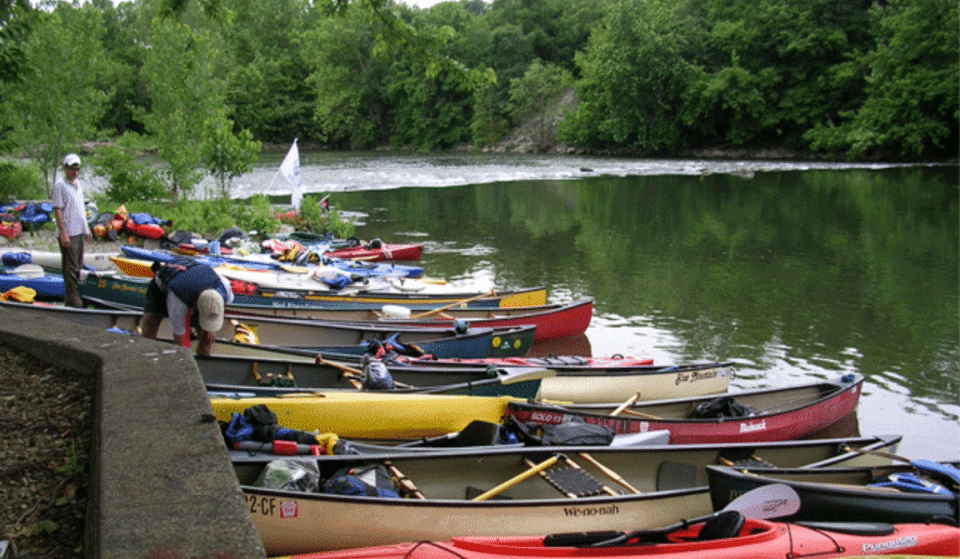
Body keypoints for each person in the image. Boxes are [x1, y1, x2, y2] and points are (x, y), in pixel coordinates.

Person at [138, 257, 234, 356]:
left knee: (207, 339)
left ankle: (203, 364)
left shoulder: (225, 289)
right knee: (151, 323)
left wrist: (209, 330)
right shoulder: (178, 299)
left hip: (194, 284)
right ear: (196, 306)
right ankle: (143, 358)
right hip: (162, 287)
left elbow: (219, 308)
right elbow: (179, 340)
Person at [52, 153, 93, 307]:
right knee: (70, 267)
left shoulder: (77, 184)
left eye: (78, 169)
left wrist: (86, 228)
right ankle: (72, 299)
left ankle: (80, 295)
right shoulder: (60, 185)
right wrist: (63, 232)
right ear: (65, 168)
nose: (75, 172)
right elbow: (58, 209)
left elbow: (81, 208)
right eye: (72, 169)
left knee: (79, 266)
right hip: (68, 232)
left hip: (79, 230)